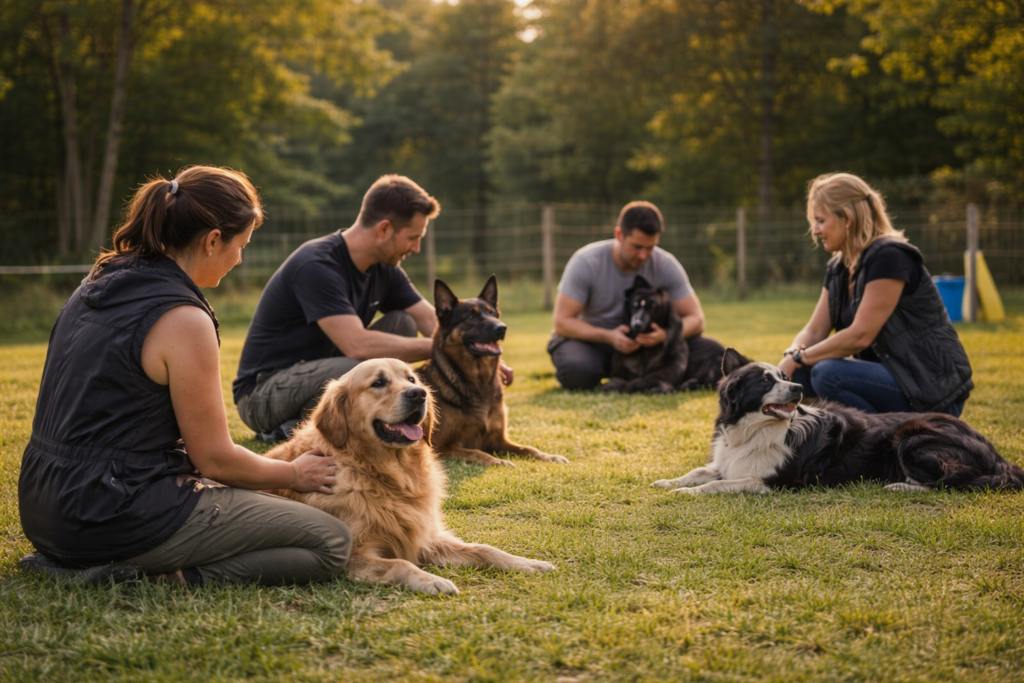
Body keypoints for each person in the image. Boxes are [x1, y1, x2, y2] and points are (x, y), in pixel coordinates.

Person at [18, 166, 350, 586]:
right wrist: (295, 474)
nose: (240, 258)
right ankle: (152, 577)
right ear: (213, 241)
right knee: (331, 542)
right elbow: (214, 459)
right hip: (111, 513)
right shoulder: (184, 319)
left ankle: (85, 558)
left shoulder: (94, 284)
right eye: (241, 245)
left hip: (42, 505)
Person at [233, 174, 469, 442]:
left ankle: (298, 423)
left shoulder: (386, 268)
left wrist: (472, 349)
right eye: (413, 238)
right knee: (351, 369)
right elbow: (357, 345)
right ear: (384, 229)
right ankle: (290, 428)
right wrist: (447, 349)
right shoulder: (317, 264)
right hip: (262, 392)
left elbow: (432, 321)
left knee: (403, 322)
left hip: (324, 371)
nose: (416, 248)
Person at [778, 172, 973, 415]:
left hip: (929, 389)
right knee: (803, 373)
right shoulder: (839, 267)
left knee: (827, 373)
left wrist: (799, 358)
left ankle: (879, 441)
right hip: (891, 380)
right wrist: (791, 357)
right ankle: (827, 447)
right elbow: (814, 331)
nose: (814, 231)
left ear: (847, 218)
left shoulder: (889, 257)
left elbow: (860, 335)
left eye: (820, 220)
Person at [548, 200, 726, 390]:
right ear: (619, 235)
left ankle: (649, 380)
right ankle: (623, 376)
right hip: (598, 342)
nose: (643, 255)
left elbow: (697, 319)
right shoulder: (586, 262)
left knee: (713, 352)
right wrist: (609, 337)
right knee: (578, 370)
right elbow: (562, 322)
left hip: (653, 348)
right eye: (637, 247)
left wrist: (665, 335)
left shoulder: (665, 264)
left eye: (650, 248)